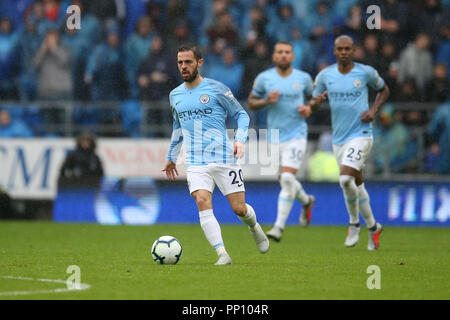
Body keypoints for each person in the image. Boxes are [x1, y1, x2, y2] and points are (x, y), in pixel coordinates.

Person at [162, 44, 269, 265]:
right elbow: (177, 126)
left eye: (188, 62)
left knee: (239, 208)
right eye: (180, 62)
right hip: (195, 161)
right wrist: (172, 156)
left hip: (223, 157)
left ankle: (254, 227)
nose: (183, 66)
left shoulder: (217, 88)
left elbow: (241, 115)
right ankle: (222, 254)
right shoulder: (175, 95)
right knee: (202, 200)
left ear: (199, 63)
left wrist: (240, 139)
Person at [310, 35, 390, 250]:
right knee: (356, 183)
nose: (344, 52)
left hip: (362, 134)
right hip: (339, 138)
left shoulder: (364, 73)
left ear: (354, 50)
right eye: (340, 49)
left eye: (348, 48)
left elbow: (384, 89)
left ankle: (354, 224)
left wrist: (373, 111)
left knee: (345, 179)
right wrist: (316, 103)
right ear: (334, 51)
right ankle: (373, 227)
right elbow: (313, 104)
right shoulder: (325, 75)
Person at [247, 41, 316, 242]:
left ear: (293, 56)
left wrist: (310, 108)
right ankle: (306, 201)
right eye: (280, 52)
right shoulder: (264, 78)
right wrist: (267, 101)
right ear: (274, 56)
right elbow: (251, 102)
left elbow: (314, 100)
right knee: (285, 179)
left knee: (286, 179)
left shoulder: (303, 78)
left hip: (297, 134)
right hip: (275, 137)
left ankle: (278, 227)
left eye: (287, 52)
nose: (284, 55)